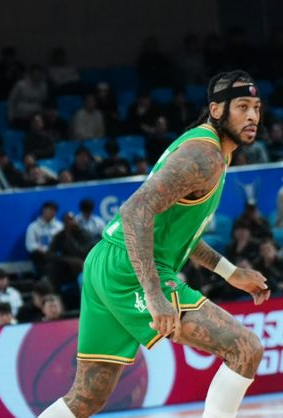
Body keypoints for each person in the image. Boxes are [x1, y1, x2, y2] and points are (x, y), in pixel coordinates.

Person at [39, 70, 270, 418]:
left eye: (256, 107)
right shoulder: (203, 156)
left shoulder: (215, 153)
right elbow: (134, 211)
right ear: (217, 110)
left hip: (107, 260)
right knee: (245, 349)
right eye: (242, 107)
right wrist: (153, 294)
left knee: (86, 397)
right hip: (131, 268)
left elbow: (178, 235)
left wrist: (230, 272)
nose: (252, 116)